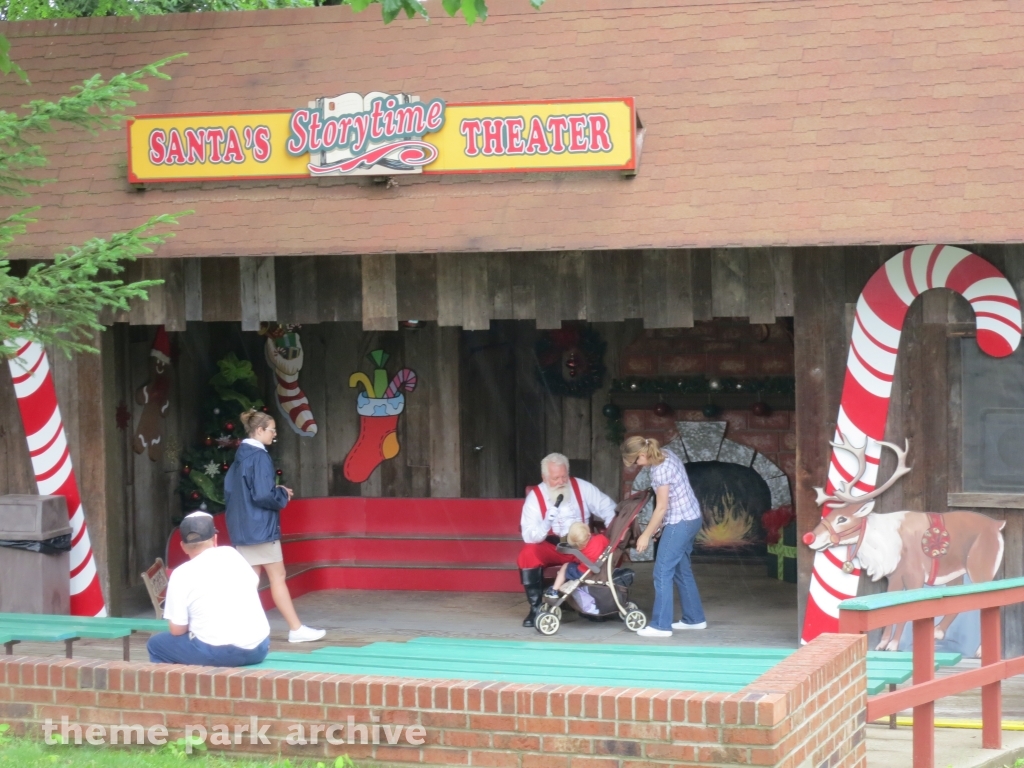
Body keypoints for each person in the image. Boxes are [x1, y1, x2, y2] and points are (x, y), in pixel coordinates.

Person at [224, 409, 325, 643]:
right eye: (272, 430)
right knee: (278, 576)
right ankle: (296, 629)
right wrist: (280, 495)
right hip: (261, 529)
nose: (274, 434)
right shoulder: (259, 456)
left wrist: (275, 490)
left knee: (249, 582)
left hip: (243, 528)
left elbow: (237, 492)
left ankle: (235, 630)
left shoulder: (240, 456)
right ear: (259, 430)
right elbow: (262, 495)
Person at [147, 512, 271, 666]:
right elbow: (254, 584)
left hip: (221, 653)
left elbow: (177, 630)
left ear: (183, 547)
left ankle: (180, 681)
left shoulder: (181, 574)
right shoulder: (232, 554)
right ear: (215, 540)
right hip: (260, 648)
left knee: (156, 645)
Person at [517, 452, 617, 627]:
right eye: (555, 478)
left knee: (605, 547)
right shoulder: (535, 497)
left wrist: (611, 530)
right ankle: (536, 608)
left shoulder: (581, 487)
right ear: (544, 477)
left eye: (564, 476)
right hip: (553, 546)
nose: (561, 481)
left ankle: (596, 603)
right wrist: (545, 523)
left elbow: (608, 507)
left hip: (583, 545)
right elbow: (529, 536)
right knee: (527, 554)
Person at [621, 436, 707, 638]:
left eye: (636, 460)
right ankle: (694, 618)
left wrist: (645, 535)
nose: (636, 465)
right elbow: (671, 500)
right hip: (692, 518)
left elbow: (661, 507)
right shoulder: (666, 455)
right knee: (680, 569)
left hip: (680, 522)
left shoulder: (660, 469)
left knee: (662, 572)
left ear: (643, 454)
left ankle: (661, 626)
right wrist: (660, 525)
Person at [546, 522, 610, 597]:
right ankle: (562, 581)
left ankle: (554, 590)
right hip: (600, 567)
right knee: (571, 566)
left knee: (565, 566)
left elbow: (577, 560)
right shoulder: (600, 538)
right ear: (589, 534)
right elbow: (609, 547)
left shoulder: (581, 550)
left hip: (584, 572)